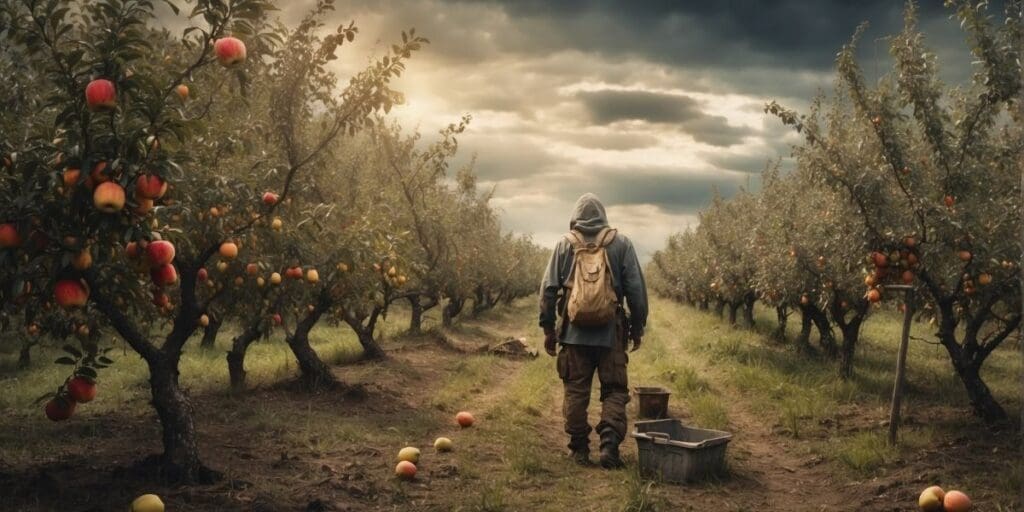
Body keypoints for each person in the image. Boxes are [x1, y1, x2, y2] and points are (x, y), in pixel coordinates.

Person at [539, 193, 648, 468]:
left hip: (573, 336)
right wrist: (637, 327)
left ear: (575, 217)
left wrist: (548, 328)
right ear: (603, 216)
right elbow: (636, 290)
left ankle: (578, 448)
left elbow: (548, 290)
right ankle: (610, 443)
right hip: (611, 334)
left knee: (575, 390)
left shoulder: (565, 244)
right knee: (614, 389)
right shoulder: (620, 243)